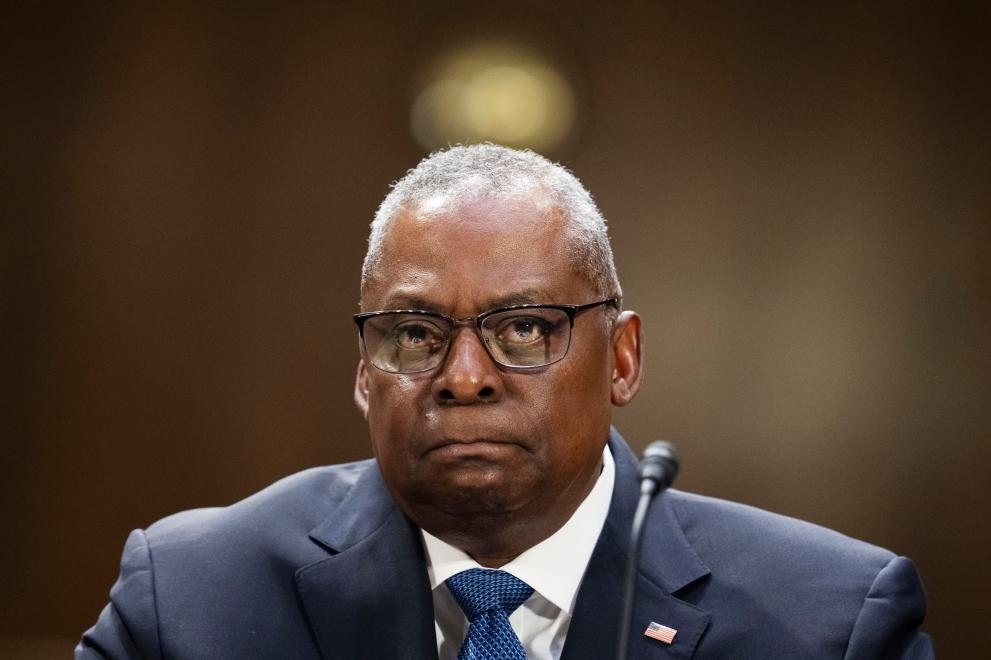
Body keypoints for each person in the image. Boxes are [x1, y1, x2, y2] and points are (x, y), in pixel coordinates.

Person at [77, 144, 934, 659]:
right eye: (413, 333)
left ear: (622, 360)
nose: (463, 376)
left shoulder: (828, 624)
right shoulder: (192, 600)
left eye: (524, 328)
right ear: (364, 372)